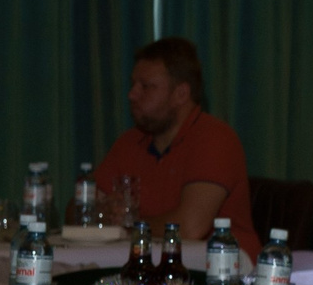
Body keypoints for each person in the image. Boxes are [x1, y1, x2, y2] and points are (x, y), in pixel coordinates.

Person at [92, 36, 259, 257]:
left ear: (181, 94)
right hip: (151, 264)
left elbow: (190, 227)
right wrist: (101, 211)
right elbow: (77, 208)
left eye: (146, 87)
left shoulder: (215, 138)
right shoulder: (130, 142)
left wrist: (127, 226)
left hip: (220, 268)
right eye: (133, 85)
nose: (132, 95)